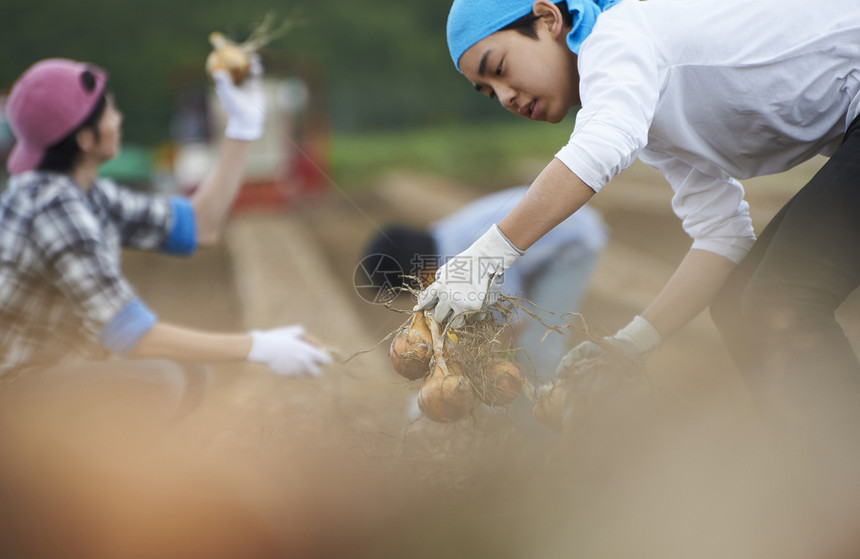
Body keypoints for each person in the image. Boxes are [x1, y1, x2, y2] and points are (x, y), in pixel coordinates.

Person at [416, 0, 860, 449]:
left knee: (779, 300)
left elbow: (603, 142)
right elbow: (723, 237)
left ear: (549, 19)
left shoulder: (618, 35)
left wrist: (484, 258)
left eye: (501, 68)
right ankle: (815, 470)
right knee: (737, 301)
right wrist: (629, 345)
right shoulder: (649, 110)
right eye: (489, 91)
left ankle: (839, 479)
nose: (505, 95)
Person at [0, 58, 331, 418]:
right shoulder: (54, 207)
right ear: (85, 138)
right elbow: (132, 334)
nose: (118, 119)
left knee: (189, 373)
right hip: (15, 392)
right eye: (108, 111)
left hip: (49, 379)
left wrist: (241, 129)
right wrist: (259, 346)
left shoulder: (82, 192)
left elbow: (199, 225)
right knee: (156, 379)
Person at [363, 185, 607, 378]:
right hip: (544, 240)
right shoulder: (442, 238)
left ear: (414, 273)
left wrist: (473, 366)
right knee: (513, 346)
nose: (418, 294)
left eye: (411, 288)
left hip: (573, 241)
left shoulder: (460, 255)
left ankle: (547, 430)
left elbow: (513, 318)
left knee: (536, 346)